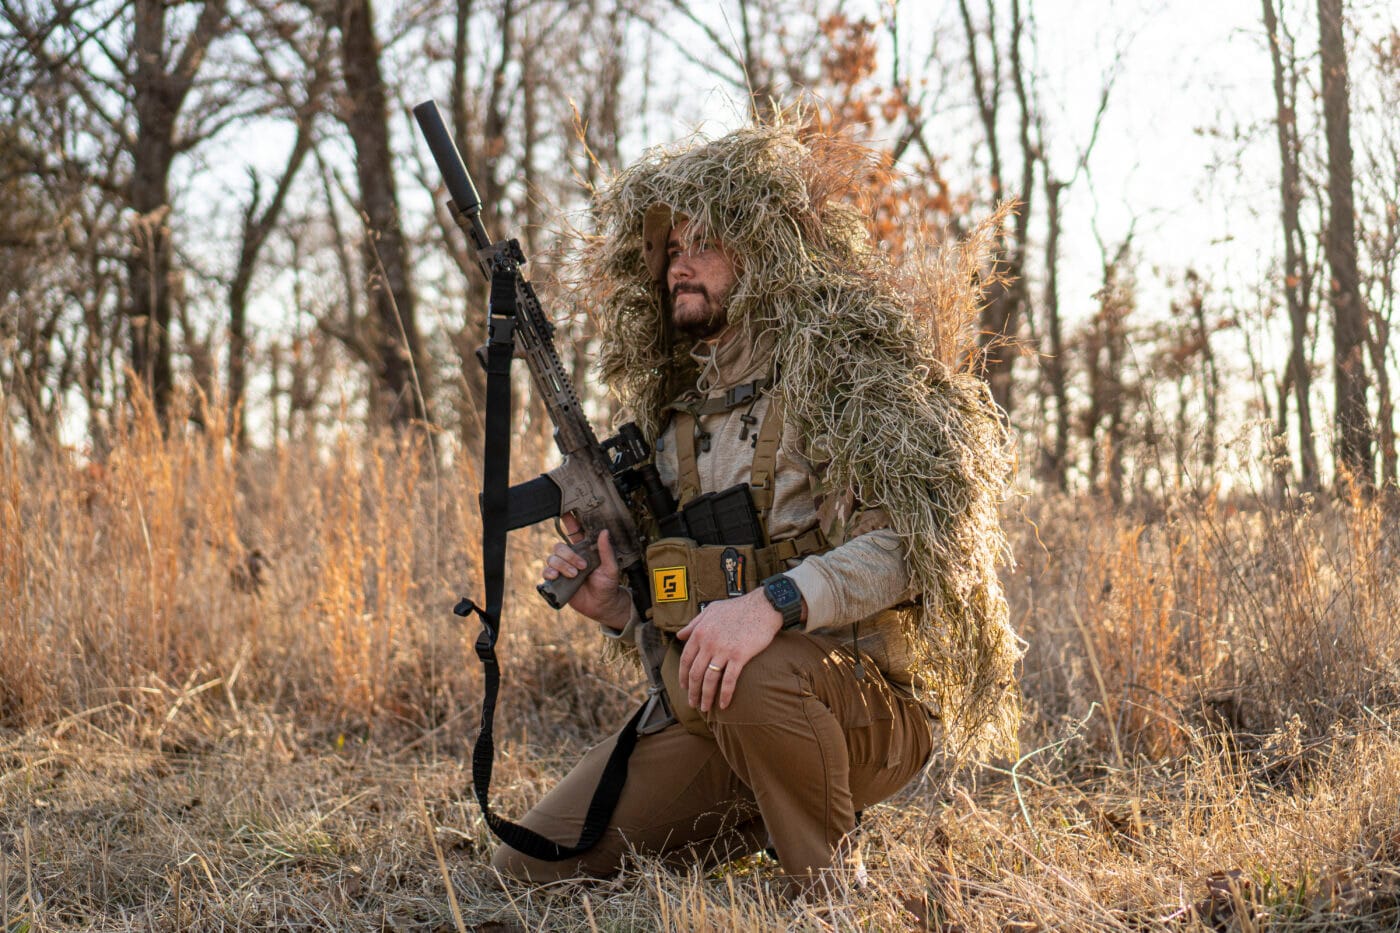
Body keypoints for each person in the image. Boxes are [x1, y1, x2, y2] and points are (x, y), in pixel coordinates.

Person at [490, 120, 1021, 895]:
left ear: (760, 252)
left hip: (864, 706)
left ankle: (829, 887)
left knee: (756, 667)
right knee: (527, 864)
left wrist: (774, 602)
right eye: (672, 249)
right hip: (726, 711)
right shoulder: (677, 425)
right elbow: (684, 616)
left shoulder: (842, 382)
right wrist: (618, 607)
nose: (681, 265)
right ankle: (762, 813)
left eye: (705, 242)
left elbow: (912, 548)